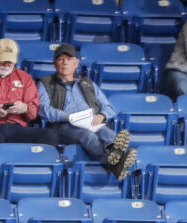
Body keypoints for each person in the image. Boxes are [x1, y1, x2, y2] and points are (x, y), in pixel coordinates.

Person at [37, 44, 137, 180]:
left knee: (108, 133)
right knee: (89, 136)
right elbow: (43, 109)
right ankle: (112, 163)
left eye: (69, 58)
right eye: (60, 59)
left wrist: (102, 115)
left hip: (91, 121)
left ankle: (116, 155)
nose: (65, 62)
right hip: (64, 125)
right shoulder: (45, 83)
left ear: (76, 63)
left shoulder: (88, 83)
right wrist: (67, 117)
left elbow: (109, 107)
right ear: (54, 63)